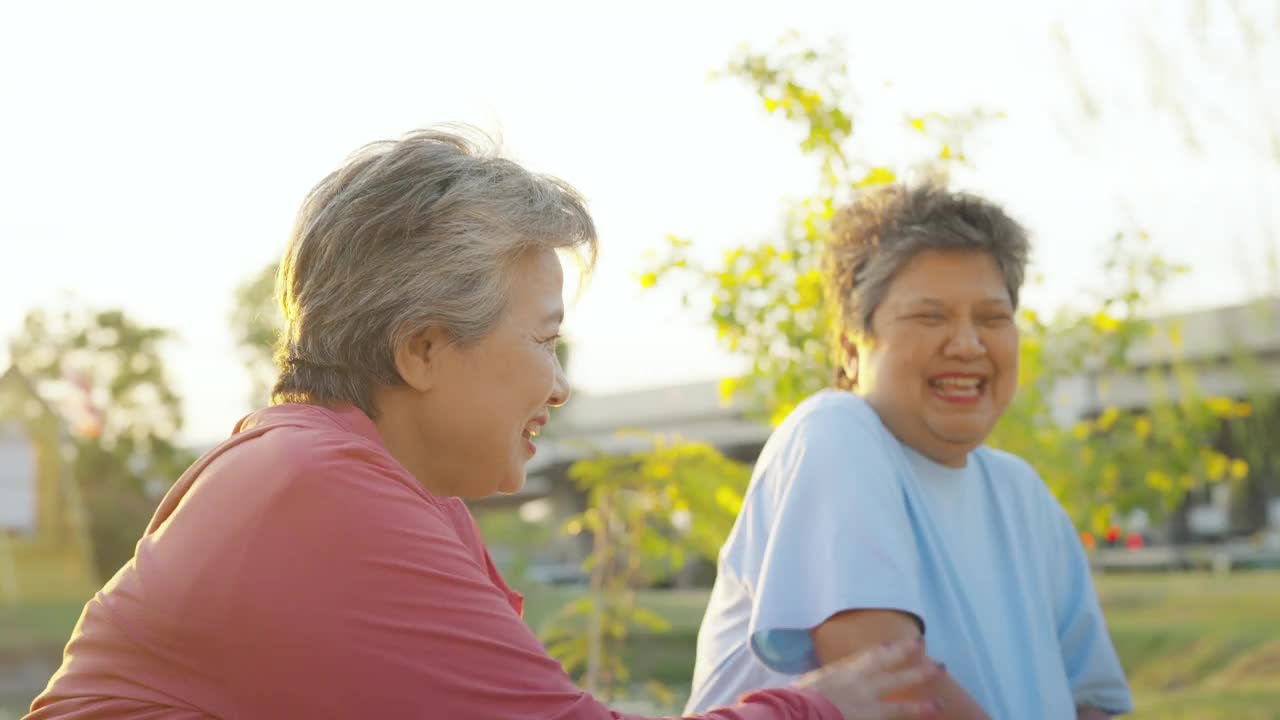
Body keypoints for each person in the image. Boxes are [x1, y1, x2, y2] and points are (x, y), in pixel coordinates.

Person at [26, 128, 945, 720]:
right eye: (547, 341)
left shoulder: (360, 485)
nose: (560, 388)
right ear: (423, 347)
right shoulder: (317, 495)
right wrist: (828, 706)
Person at [684, 185, 1134, 720]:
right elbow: (893, 685)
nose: (967, 344)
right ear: (852, 349)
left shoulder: (1022, 493)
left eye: (992, 319)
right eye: (930, 317)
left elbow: (1090, 702)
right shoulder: (834, 432)